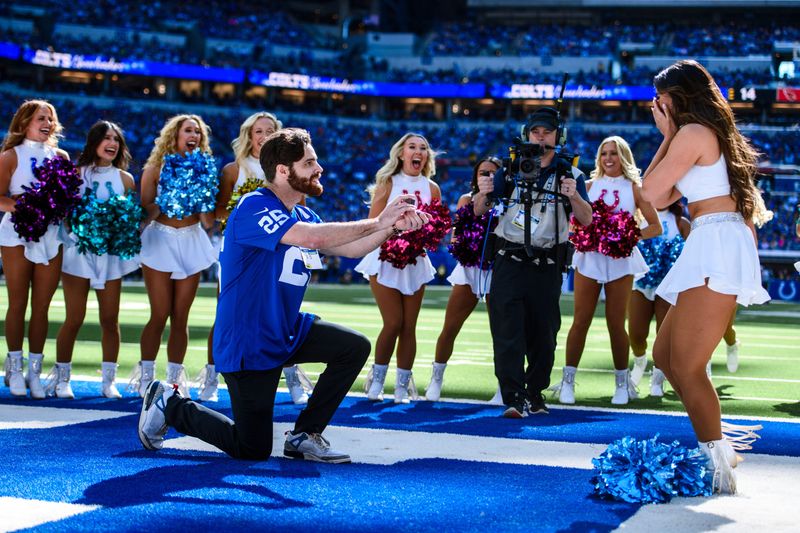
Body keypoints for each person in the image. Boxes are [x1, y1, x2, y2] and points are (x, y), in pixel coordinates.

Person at [137, 128, 427, 462]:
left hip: (286, 330)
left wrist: (391, 227)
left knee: (353, 347)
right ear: (284, 171)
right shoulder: (253, 206)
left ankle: (305, 434)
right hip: (248, 339)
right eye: (310, 163)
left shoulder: (304, 213)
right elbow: (311, 239)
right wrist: (378, 220)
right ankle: (170, 404)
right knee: (253, 448)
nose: (319, 169)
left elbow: (350, 248)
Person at [641, 60, 771, 493]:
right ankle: (721, 445)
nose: (656, 106)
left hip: (715, 241)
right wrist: (669, 138)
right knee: (665, 356)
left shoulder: (692, 134)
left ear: (680, 96)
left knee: (688, 366)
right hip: (707, 238)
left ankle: (718, 466)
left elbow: (652, 194)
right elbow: (660, 195)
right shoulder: (697, 136)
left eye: (661, 99)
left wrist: (666, 137)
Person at [475, 107, 592, 418]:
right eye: (536, 132)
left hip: (548, 262)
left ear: (558, 137)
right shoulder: (510, 169)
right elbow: (477, 211)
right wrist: (484, 193)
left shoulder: (572, 174)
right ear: (526, 134)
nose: (541, 138)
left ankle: (536, 392)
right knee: (507, 329)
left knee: (544, 333)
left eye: (547, 132)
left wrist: (575, 197)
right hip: (509, 258)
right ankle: (513, 396)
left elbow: (587, 219)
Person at [199, 111, 311, 405]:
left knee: (283, 311)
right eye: (258, 131)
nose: (264, 136)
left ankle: (292, 379)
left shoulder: (291, 168)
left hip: (281, 248)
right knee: (227, 310)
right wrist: (245, 211)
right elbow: (217, 212)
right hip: (245, 251)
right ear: (249, 136)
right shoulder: (234, 170)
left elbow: (301, 213)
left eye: (270, 130)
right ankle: (212, 376)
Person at [555, 136, 662, 406]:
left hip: (620, 260)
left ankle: (622, 384)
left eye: (614, 153)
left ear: (623, 156)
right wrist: (585, 232)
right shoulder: (588, 186)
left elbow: (655, 227)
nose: (608, 158)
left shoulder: (635, 189)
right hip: (590, 257)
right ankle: (567, 382)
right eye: (604, 153)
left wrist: (626, 236)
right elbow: (572, 222)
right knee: (581, 320)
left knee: (616, 323)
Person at [133, 115, 218, 398]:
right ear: (175, 135)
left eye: (197, 131)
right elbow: (144, 213)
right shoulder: (155, 169)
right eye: (188, 130)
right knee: (159, 314)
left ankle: (174, 382)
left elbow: (208, 222)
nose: (193, 135)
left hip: (192, 239)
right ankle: (146, 378)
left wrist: (202, 192)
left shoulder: (205, 169)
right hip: (160, 240)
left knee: (181, 317)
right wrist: (167, 198)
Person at [53, 121, 139, 398]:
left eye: (116, 139)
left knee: (110, 319)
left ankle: (108, 380)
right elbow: (64, 215)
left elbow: (127, 221)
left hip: (110, 256)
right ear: (94, 142)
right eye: (106, 138)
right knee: (74, 317)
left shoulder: (126, 179)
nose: (112, 143)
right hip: (79, 252)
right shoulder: (76, 174)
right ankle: (62, 379)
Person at [356, 133, 442, 403]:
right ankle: (377, 380)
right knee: (393, 322)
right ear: (401, 154)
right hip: (384, 256)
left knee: (409, 326)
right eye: (412, 147)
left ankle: (403, 386)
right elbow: (372, 223)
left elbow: (435, 227)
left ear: (426, 156)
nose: (418, 152)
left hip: (415, 260)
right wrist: (395, 233)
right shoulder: (388, 182)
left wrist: (423, 237)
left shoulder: (432, 188)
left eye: (423, 148)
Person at [0, 100, 70, 399]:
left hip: (51, 235)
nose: (47, 123)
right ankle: (14, 367)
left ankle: (35, 372)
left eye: (51, 118)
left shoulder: (61, 155)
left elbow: (67, 199)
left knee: (42, 306)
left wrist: (56, 211)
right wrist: (28, 209)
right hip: (17, 231)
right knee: (18, 302)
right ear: (24, 122)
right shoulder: (10, 155)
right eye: (41, 118)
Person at [425, 156, 500, 401]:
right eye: (483, 173)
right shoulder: (467, 199)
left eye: (493, 173)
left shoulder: (509, 201)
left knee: (502, 333)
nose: (488, 177)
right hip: (469, 270)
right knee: (450, 328)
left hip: (498, 272)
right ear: (475, 176)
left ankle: (504, 386)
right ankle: (436, 378)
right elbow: (458, 236)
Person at [627, 200, 691, 397]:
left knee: (663, 336)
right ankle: (639, 361)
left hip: (669, 285)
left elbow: (691, 255)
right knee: (636, 333)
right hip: (640, 282)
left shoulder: (681, 223)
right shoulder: (638, 218)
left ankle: (658, 378)